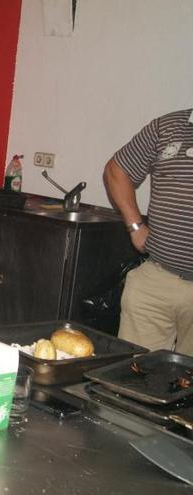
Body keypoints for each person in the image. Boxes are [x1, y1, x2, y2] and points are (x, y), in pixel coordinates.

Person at [103, 108, 193, 355]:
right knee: (134, 379)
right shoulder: (167, 127)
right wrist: (135, 225)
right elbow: (116, 170)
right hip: (156, 279)